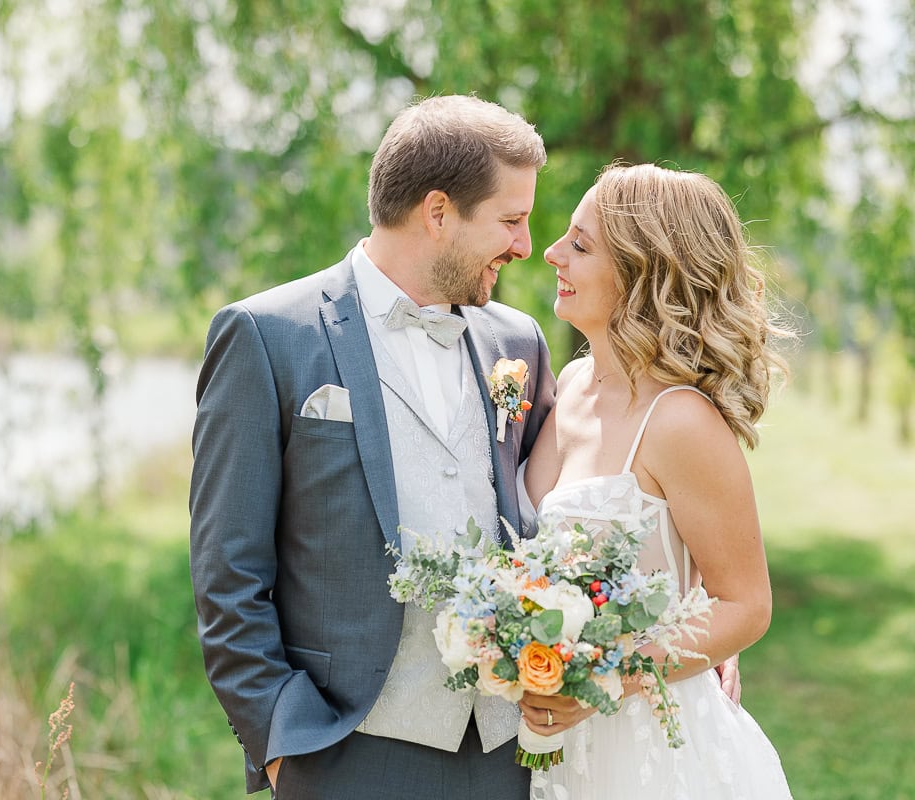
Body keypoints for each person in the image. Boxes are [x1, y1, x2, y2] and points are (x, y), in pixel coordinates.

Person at [189, 95, 555, 799]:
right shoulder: (267, 337)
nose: (524, 246)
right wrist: (283, 745)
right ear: (438, 212)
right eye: (511, 220)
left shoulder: (517, 343)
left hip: (512, 753)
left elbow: (566, 510)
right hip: (348, 752)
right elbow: (227, 574)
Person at [517, 163, 793, 798]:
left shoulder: (681, 421)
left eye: (580, 245)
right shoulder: (572, 385)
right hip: (559, 752)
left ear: (645, 271)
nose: (552, 253)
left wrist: (604, 677)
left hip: (656, 751)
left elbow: (746, 606)